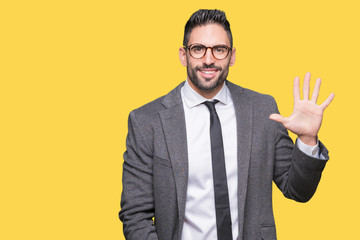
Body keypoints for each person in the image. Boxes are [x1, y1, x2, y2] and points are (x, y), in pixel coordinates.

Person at [119, 9, 334, 240]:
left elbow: (297, 190)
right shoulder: (147, 121)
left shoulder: (262, 110)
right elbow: (135, 216)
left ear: (232, 56)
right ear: (184, 55)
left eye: (219, 50)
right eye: (198, 49)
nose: (208, 59)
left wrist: (307, 140)